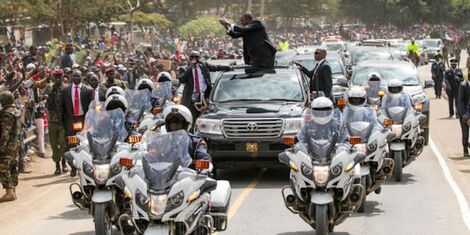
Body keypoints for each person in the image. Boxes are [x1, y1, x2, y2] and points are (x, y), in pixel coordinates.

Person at [178, 51, 232, 126]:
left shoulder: (203, 65)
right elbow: (181, 79)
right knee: (192, 119)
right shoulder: (184, 68)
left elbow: (216, 67)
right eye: (192, 57)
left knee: (205, 118)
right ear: (189, 58)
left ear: (199, 58)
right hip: (192, 98)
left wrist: (228, 67)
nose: (194, 59)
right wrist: (190, 68)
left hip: (204, 96)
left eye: (196, 57)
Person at [60, 70, 94, 177]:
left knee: (84, 144)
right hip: (70, 121)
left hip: (83, 121)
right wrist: (61, 124)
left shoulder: (88, 90)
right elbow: (61, 108)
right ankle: (73, 167)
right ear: (71, 77)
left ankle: (85, 167)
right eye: (74, 76)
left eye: (78, 76)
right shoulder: (65, 90)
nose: (76, 78)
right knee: (70, 144)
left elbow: (92, 108)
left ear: (81, 77)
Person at [44, 69, 67, 174]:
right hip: (52, 119)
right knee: (53, 144)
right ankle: (57, 165)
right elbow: (42, 98)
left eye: (59, 76)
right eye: (56, 76)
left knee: (63, 143)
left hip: (63, 120)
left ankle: (64, 162)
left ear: (63, 77)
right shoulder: (49, 88)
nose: (58, 78)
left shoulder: (66, 88)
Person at [0, 91, 21, 202]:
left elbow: (5, 133)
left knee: (3, 167)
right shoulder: (17, 111)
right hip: (16, 143)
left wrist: (1, 147)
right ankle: (13, 189)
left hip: (8, 145)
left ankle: (9, 192)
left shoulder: (6, 114)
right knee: (13, 166)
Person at [458, 71, 470, 158]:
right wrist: (465, 117)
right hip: (465, 113)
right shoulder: (463, 86)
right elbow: (460, 102)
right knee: (465, 133)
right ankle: (465, 150)